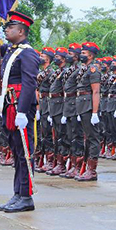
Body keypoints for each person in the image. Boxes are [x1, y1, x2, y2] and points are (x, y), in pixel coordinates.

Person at [0, 11, 40, 213]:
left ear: (21, 31)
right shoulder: (11, 50)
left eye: (10, 27)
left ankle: (26, 196)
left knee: (25, 153)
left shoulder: (27, 53)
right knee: (17, 152)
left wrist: (23, 112)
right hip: (9, 105)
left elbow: (28, 83)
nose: (6, 29)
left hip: (20, 107)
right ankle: (18, 193)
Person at [74, 42, 103, 181]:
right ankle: (86, 166)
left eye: (84, 53)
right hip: (82, 106)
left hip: (89, 107)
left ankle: (92, 170)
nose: (81, 55)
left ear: (91, 55)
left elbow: (96, 91)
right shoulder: (84, 69)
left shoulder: (93, 70)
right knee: (87, 138)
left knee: (93, 138)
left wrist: (95, 112)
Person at [61, 43, 85, 178]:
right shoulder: (69, 69)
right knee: (70, 136)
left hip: (76, 105)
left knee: (77, 137)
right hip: (68, 104)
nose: (67, 56)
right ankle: (73, 164)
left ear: (76, 56)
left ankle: (79, 166)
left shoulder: (80, 69)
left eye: (70, 54)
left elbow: (79, 89)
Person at [46, 47, 69, 176]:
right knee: (56, 136)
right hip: (54, 106)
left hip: (61, 106)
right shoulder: (57, 72)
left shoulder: (66, 72)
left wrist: (65, 112)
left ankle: (62, 164)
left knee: (62, 137)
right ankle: (56, 162)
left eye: (58, 57)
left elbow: (67, 92)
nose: (56, 58)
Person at [36, 47, 56, 171]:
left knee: (48, 133)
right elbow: (37, 90)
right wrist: (38, 108)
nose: (40, 58)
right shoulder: (40, 72)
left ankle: (50, 160)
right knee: (41, 133)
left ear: (48, 58)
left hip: (49, 103)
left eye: (42, 56)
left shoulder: (51, 73)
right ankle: (41, 158)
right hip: (41, 103)